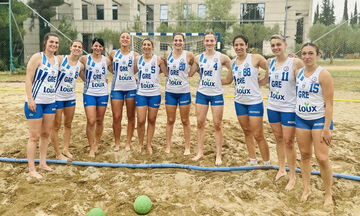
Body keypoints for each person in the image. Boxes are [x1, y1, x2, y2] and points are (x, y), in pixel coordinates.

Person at [222, 34, 270, 166]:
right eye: (236, 45)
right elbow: (228, 80)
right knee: (247, 132)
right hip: (239, 102)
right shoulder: (232, 63)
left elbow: (273, 67)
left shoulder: (255, 58)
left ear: (246, 45)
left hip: (254, 102)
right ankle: (252, 161)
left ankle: (267, 163)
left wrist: (265, 80)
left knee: (258, 134)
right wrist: (210, 81)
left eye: (241, 44)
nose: (239, 47)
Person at [295, 42, 334, 205]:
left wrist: (327, 128)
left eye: (311, 53)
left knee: (322, 158)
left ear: (318, 54)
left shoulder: (323, 74)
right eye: (304, 53)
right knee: (304, 155)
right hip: (301, 119)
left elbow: (330, 103)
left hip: (319, 120)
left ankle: (328, 194)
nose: (307, 57)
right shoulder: (298, 72)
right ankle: (306, 188)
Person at [189, 32, 232, 166]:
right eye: (207, 41)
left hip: (216, 94)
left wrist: (225, 81)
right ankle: (199, 152)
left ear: (215, 42)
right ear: (203, 42)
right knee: (200, 123)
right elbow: (191, 73)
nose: (209, 43)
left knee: (217, 124)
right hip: (202, 93)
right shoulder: (198, 58)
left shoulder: (222, 57)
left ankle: (218, 154)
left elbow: (234, 68)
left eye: (211, 41)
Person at [267, 35, 303, 190]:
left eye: (278, 44)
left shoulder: (295, 62)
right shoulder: (270, 62)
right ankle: (282, 169)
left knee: (289, 142)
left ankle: (293, 175)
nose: (275, 47)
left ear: (285, 45)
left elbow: (303, 82)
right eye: (273, 45)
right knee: (279, 139)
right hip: (273, 106)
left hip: (289, 108)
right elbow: (265, 80)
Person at [24, 33, 61, 178]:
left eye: (56, 43)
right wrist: (30, 99)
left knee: (46, 134)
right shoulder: (37, 57)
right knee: (34, 136)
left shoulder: (57, 60)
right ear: (45, 43)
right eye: (51, 42)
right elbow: (28, 78)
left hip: (50, 101)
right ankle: (32, 169)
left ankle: (43, 163)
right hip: (36, 102)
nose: (54, 45)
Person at [50, 40, 84, 160]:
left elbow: (86, 79)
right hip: (57, 96)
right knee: (56, 126)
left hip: (70, 97)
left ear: (81, 50)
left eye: (79, 47)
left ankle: (65, 149)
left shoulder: (80, 65)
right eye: (75, 46)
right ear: (70, 48)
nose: (77, 48)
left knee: (68, 124)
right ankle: (58, 152)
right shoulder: (60, 59)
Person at [79, 38, 112, 157]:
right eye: (96, 46)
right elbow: (79, 71)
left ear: (102, 48)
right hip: (89, 93)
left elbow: (114, 71)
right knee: (91, 120)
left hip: (103, 93)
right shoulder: (84, 59)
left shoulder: (107, 60)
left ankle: (96, 143)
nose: (98, 48)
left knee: (99, 120)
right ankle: (91, 146)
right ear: (92, 46)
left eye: (100, 46)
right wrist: (85, 80)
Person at [134, 38, 168, 154]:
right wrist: (134, 78)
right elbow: (130, 72)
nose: (146, 46)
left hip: (154, 94)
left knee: (152, 120)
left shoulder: (158, 59)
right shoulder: (138, 59)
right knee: (141, 121)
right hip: (141, 94)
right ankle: (140, 143)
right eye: (144, 45)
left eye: (149, 45)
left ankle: (148, 144)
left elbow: (166, 72)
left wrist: (165, 62)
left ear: (152, 47)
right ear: (142, 47)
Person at [108, 32, 139, 151]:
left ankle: (128, 142)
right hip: (117, 88)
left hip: (131, 87)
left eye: (127, 38)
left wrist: (132, 75)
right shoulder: (113, 53)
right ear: (119, 39)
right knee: (116, 117)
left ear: (130, 41)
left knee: (131, 116)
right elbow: (108, 66)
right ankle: (117, 143)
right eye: (123, 37)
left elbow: (137, 68)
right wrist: (116, 74)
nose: (125, 39)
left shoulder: (135, 55)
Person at [164, 33, 195, 155]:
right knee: (170, 120)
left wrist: (190, 74)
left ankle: (187, 147)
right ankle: (168, 146)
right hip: (170, 92)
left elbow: (196, 66)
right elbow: (165, 69)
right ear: (173, 42)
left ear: (184, 42)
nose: (178, 42)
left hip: (184, 92)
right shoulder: (167, 55)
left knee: (185, 120)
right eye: (176, 40)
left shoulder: (188, 55)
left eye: (180, 40)